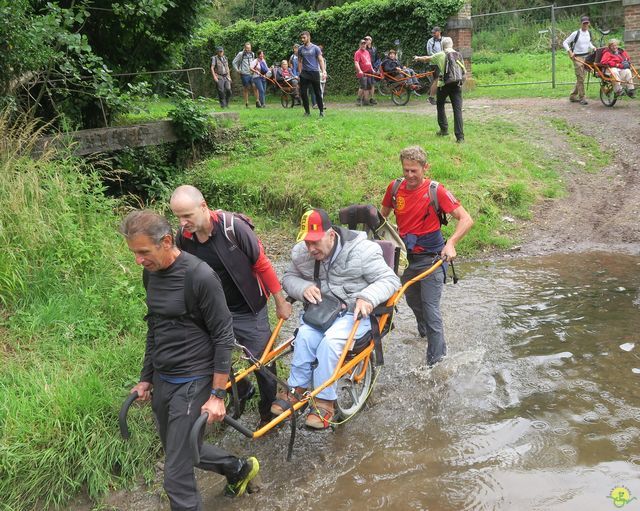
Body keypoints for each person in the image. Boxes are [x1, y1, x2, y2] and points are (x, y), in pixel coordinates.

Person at [120, 210, 260, 509]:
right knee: (179, 447)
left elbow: (223, 336)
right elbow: (155, 326)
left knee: (175, 476)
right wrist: (146, 378)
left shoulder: (200, 276)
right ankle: (238, 468)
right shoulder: (151, 273)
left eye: (143, 252)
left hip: (194, 380)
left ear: (167, 241)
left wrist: (217, 395)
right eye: (134, 253)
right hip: (163, 378)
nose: (138, 260)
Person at [170, 185, 293, 428]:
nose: (183, 222)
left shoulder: (233, 228)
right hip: (213, 310)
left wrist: (280, 301)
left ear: (203, 206)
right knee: (207, 354)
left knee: (261, 362)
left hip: (248, 309)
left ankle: (267, 413)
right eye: (178, 217)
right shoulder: (184, 237)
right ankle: (241, 389)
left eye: (187, 216)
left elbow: (262, 264)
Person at [274, 209, 401, 429]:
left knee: (330, 343)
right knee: (303, 336)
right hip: (323, 312)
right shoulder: (302, 253)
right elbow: (288, 277)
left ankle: (325, 401)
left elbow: (389, 280)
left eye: (315, 242)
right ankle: (297, 389)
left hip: (355, 313)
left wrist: (368, 297)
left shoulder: (362, 251)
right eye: (306, 243)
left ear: (331, 235)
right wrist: (302, 287)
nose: (310, 249)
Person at [380, 146, 473, 367]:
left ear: (425, 168)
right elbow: (380, 218)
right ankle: (425, 335)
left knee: (431, 309)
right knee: (413, 301)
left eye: (414, 171)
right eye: (406, 170)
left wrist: (451, 243)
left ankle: (435, 365)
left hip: (432, 259)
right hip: (406, 259)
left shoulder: (436, 191)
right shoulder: (394, 188)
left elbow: (466, 219)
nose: (410, 176)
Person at [415, 37, 466, 143]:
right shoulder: (459, 54)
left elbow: (427, 59)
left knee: (440, 105)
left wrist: (417, 58)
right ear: (452, 44)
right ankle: (460, 137)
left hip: (444, 85)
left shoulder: (441, 55)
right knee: (457, 110)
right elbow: (463, 71)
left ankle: (444, 129)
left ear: (442, 45)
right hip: (457, 85)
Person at [562, 16, 596, 105]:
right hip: (577, 58)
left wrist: (593, 47)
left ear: (589, 23)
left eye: (587, 23)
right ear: (581, 23)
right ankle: (582, 98)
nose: (585, 25)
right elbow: (565, 42)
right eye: (584, 23)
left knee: (581, 78)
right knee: (580, 77)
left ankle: (573, 96)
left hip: (587, 57)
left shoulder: (589, 33)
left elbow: (588, 42)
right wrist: (570, 52)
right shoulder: (576, 33)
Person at [298, 31, 327, 118]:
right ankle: (307, 112)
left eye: (304, 38)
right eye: (301, 38)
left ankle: (321, 111)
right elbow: (299, 61)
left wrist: (324, 71)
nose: (302, 40)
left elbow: (320, 60)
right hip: (304, 73)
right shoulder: (300, 49)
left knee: (317, 92)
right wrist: (300, 73)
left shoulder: (315, 48)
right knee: (303, 93)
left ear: (308, 37)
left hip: (314, 72)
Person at [232, 42, 258, 108]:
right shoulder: (241, 54)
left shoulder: (252, 54)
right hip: (244, 74)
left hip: (252, 73)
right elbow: (234, 62)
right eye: (247, 48)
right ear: (245, 48)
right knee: (246, 88)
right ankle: (246, 103)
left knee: (255, 86)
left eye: (249, 48)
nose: (248, 50)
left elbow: (253, 63)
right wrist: (237, 70)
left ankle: (257, 102)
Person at [425, 26, 443, 105]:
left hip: (443, 62)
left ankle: (442, 97)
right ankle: (431, 97)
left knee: (443, 80)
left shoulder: (444, 40)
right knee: (437, 79)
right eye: (432, 33)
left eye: (434, 32)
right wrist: (438, 58)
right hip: (434, 63)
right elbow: (429, 53)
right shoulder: (430, 41)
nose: (433, 34)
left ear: (439, 32)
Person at [354, 39, 374, 107]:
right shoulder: (357, 53)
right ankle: (358, 99)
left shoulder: (367, 52)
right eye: (362, 44)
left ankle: (366, 101)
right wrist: (359, 70)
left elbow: (369, 62)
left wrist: (372, 70)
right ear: (359, 45)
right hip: (362, 73)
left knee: (368, 87)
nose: (363, 45)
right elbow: (356, 62)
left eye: (364, 44)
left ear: (366, 45)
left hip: (369, 72)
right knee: (363, 87)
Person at [310, 44, 327, 109]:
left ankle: (320, 103)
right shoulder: (313, 60)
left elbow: (324, 68)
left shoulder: (324, 60)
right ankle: (317, 104)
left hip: (322, 76)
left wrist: (324, 73)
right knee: (317, 90)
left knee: (321, 90)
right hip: (316, 76)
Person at [364, 35, 379, 105]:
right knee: (366, 84)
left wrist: (375, 68)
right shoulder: (363, 49)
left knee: (372, 84)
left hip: (373, 69)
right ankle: (365, 100)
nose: (366, 41)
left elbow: (377, 59)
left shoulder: (374, 49)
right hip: (365, 69)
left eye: (368, 40)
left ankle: (372, 98)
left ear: (371, 41)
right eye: (365, 40)